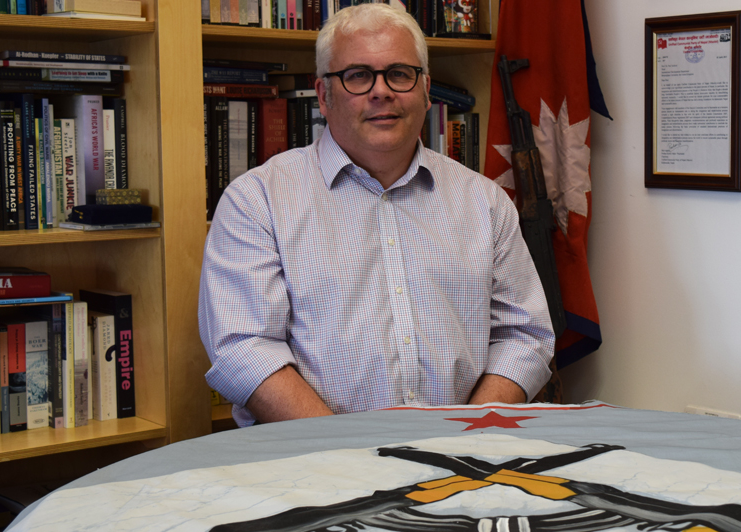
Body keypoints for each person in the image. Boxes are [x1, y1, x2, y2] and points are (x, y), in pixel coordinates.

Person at [198, 3, 554, 426]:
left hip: (462, 457)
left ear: (425, 91)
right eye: (358, 75)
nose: (381, 91)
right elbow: (244, 348)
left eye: (400, 74)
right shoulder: (257, 201)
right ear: (324, 95)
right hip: (310, 463)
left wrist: (467, 436)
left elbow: (523, 335)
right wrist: (345, 452)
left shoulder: (485, 201)